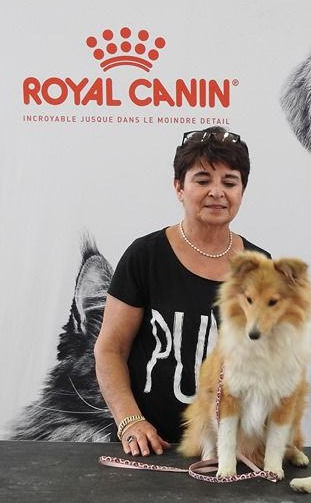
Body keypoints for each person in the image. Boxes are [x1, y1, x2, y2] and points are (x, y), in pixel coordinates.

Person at [94, 127, 268, 458]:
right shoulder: (144, 257)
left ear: (242, 191)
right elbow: (110, 350)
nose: (217, 192)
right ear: (179, 187)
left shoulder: (260, 267)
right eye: (202, 180)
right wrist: (130, 422)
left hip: (226, 452)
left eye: (229, 182)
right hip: (150, 447)